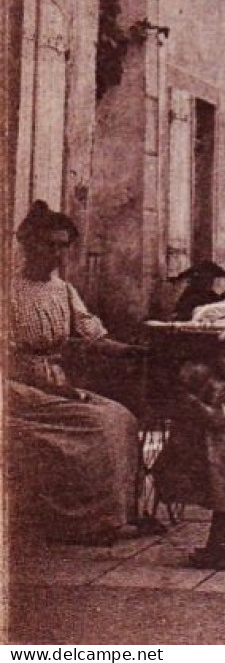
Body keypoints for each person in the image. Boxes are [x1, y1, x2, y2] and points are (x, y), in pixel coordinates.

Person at [6, 201, 145, 546]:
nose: (56, 254)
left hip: (55, 381)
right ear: (27, 244)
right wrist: (56, 389)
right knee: (97, 424)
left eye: (63, 246)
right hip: (15, 384)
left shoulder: (63, 290)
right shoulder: (7, 290)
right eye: (48, 244)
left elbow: (91, 335)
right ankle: (86, 521)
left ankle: (121, 512)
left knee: (121, 417)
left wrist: (132, 351)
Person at [152, 330, 225, 570]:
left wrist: (195, 403)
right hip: (221, 453)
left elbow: (217, 418)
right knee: (221, 505)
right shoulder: (220, 383)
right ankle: (218, 549)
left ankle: (224, 553)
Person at [160, 260, 225, 323]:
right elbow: (180, 315)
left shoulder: (212, 296)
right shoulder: (189, 296)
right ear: (196, 280)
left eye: (211, 279)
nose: (209, 283)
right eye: (205, 279)